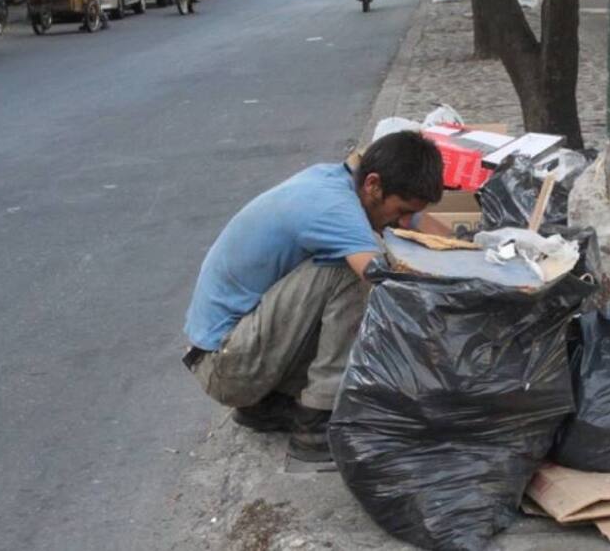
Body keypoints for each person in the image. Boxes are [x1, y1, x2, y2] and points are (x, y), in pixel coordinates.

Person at [182, 131, 445, 462]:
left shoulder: (344, 181)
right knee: (354, 274)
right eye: (402, 210)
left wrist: (480, 254)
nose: (404, 222)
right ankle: (318, 421)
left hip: (232, 351)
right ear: (373, 185)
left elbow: (431, 231)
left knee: (363, 267)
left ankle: (266, 407)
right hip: (225, 365)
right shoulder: (333, 207)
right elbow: (386, 285)